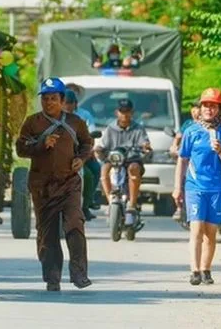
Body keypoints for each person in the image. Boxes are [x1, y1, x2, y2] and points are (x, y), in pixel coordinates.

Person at [16, 77, 93, 291]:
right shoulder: (33, 122)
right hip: (43, 186)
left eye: (53, 99)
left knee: (75, 225)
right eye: (45, 99)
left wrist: (82, 158)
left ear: (62, 100)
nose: (48, 103)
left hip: (69, 183)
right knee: (47, 233)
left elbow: (87, 142)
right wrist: (41, 144)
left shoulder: (75, 122)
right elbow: (21, 148)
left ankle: (79, 274)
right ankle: (52, 277)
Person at [173, 88, 221, 285]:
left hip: (217, 188)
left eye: (213, 105)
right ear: (200, 108)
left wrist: (220, 151)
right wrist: (177, 187)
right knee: (196, 229)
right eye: (205, 105)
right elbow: (182, 160)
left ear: (219, 108)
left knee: (210, 233)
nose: (208, 109)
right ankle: (195, 271)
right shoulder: (191, 131)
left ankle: (206, 269)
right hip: (194, 186)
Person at [94, 99, 152, 225]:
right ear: (117, 113)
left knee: (134, 169)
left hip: (132, 159)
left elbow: (144, 143)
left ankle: (132, 204)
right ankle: (110, 199)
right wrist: (98, 149)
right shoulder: (111, 128)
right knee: (104, 170)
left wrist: (145, 146)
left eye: (127, 112)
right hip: (114, 159)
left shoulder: (138, 128)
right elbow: (102, 145)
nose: (124, 115)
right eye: (122, 112)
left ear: (132, 113)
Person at [64, 90, 100, 221]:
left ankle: (86, 204)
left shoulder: (84, 116)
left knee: (92, 172)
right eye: (65, 103)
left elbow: (91, 135)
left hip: (79, 154)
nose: (67, 106)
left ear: (75, 104)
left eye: (70, 103)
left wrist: (88, 151)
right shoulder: (53, 116)